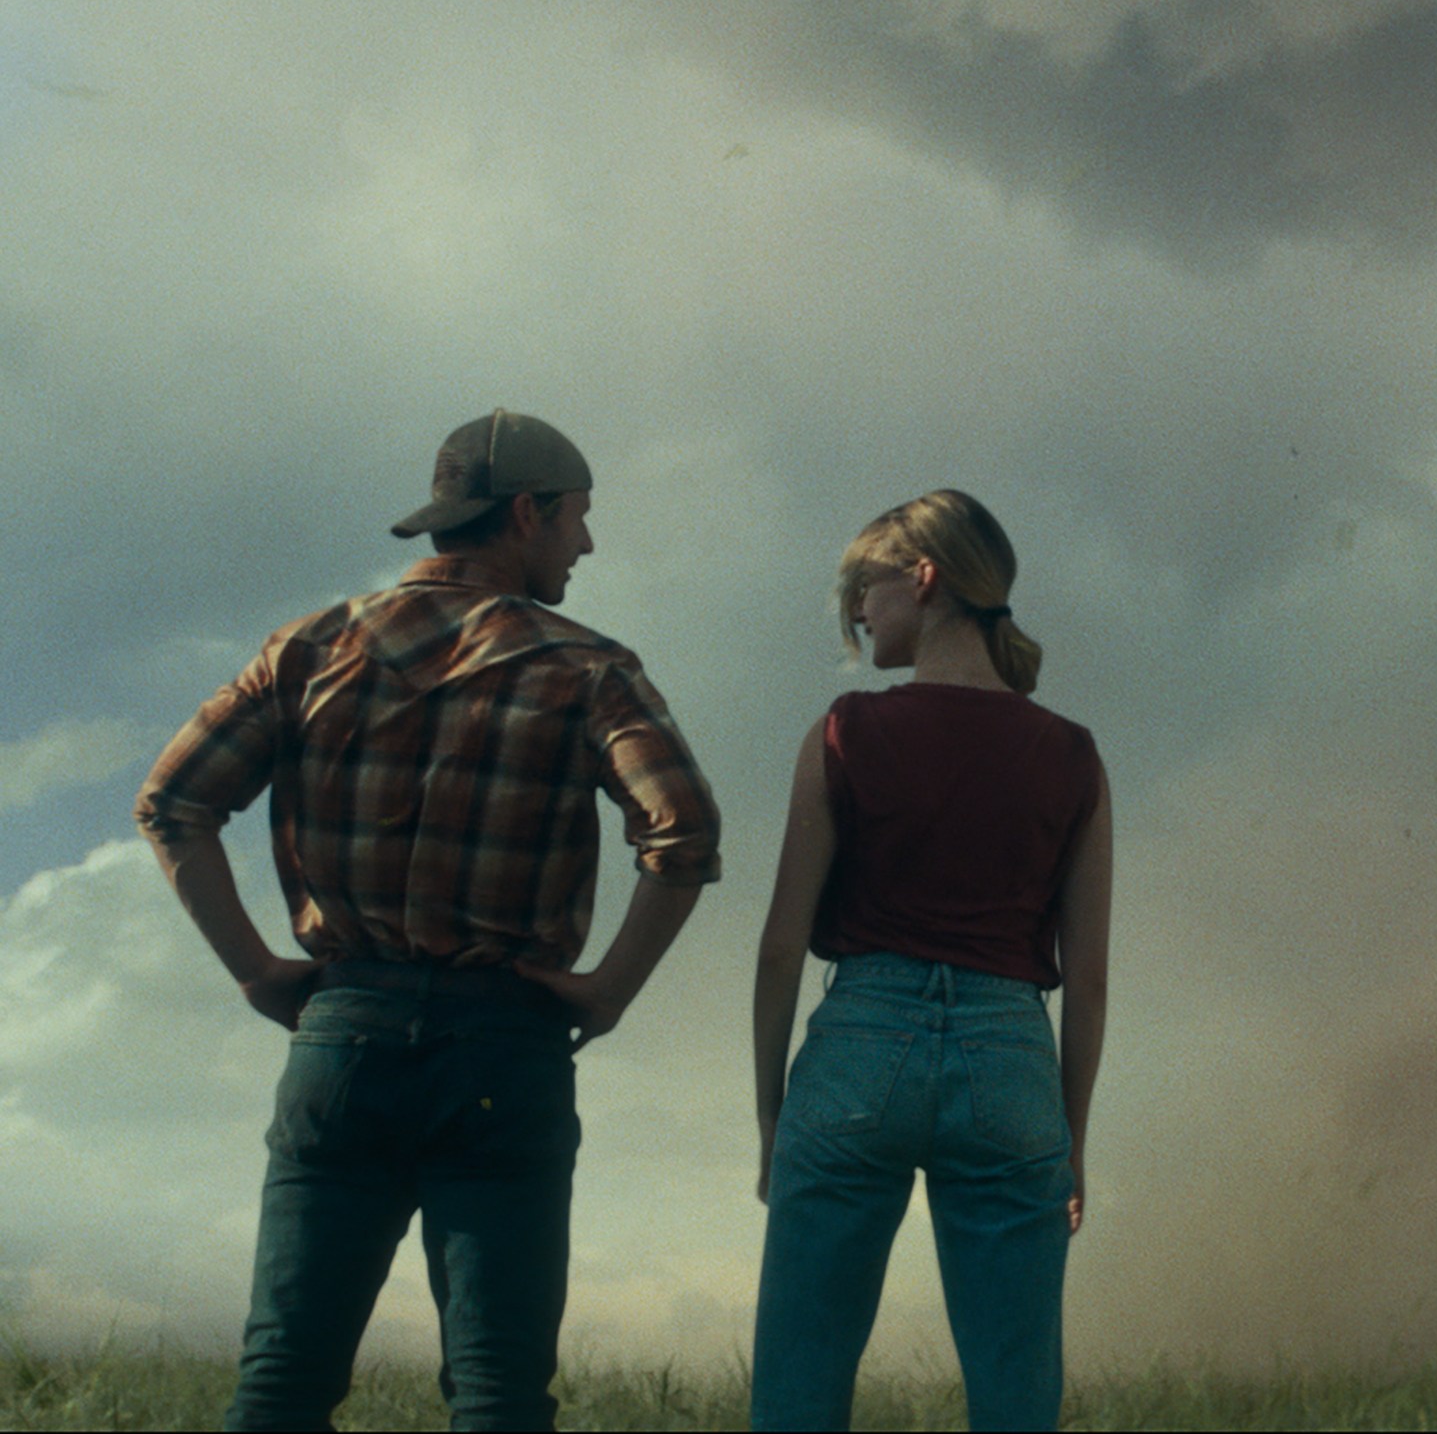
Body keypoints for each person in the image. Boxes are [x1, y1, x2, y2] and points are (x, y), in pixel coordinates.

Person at [134, 409, 720, 1432]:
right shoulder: (588, 667)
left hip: (342, 1035)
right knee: (497, 1392)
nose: (586, 543)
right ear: (526, 513)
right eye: (578, 518)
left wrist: (257, 972)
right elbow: (684, 830)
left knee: (282, 1379)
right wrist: (610, 989)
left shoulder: (308, 647)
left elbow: (174, 803)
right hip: (505, 1047)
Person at [750, 489, 1112, 1431]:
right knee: (1016, 1396)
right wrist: (1070, 1138)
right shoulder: (1074, 755)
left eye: (864, 587)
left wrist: (770, 1120)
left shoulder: (846, 730)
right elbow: (1092, 974)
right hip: (1010, 1059)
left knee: (799, 1384)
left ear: (924, 576)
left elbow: (782, 945)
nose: (857, 612)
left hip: (859, 1049)